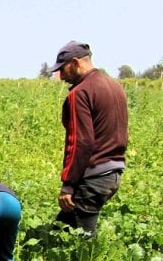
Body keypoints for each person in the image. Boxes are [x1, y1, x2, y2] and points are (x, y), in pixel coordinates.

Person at [46, 41, 129, 236]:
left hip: (93, 176)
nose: (62, 77)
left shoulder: (80, 93)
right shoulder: (114, 86)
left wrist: (68, 184)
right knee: (60, 230)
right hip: (114, 173)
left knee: (83, 242)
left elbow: (80, 142)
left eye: (63, 70)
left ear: (75, 63)